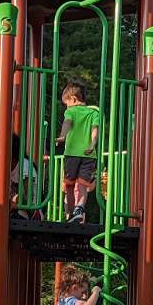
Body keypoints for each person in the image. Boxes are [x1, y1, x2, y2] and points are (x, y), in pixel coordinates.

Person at [55, 81, 99, 224]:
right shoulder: (94, 112)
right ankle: (79, 209)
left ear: (73, 99)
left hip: (72, 154)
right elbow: (94, 130)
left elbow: (67, 123)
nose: (66, 106)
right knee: (82, 185)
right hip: (89, 155)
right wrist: (92, 144)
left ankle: (69, 214)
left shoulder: (71, 111)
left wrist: (62, 136)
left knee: (68, 185)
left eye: (67, 103)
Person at [10, 134, 42, 220]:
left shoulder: (25, 166)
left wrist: (14, 201)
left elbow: (28, 199)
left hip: (31, 214)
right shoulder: (6, 170)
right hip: (17, 212)